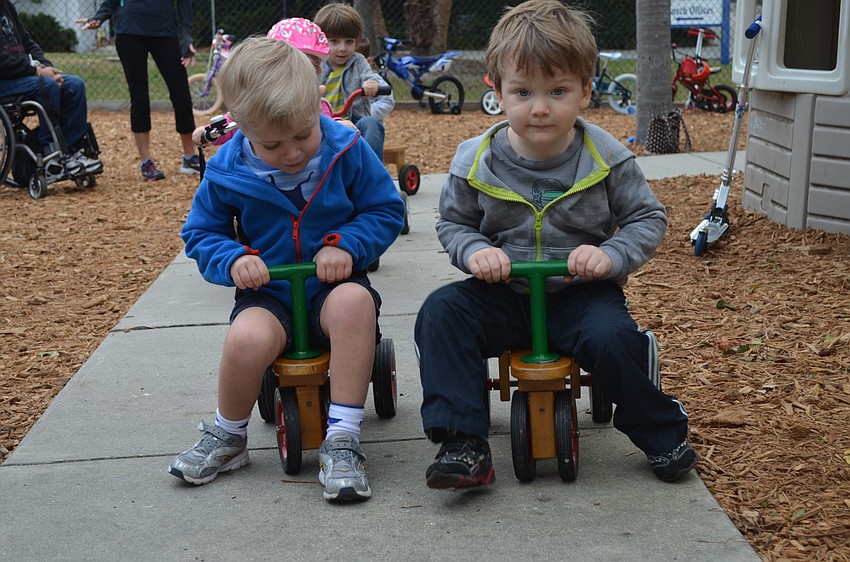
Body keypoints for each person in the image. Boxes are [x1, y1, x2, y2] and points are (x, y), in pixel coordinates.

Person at [415, 0, 697, 490]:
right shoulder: (475, 161)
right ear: (497, 92)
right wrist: (475, 251)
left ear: (585, 91)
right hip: (504, 292)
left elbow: (647, 217)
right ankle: (463, 442)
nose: (540, 107)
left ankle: (660, 431)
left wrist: (610, 255)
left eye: (558, 91)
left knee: (613, 338)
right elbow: (454, 223)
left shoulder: (606, 158)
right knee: (442, 312)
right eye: (523, 92)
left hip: (579, 294)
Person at [169, 37, 405, 502]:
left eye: (303, 134)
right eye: (273, 144)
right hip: (269, 292)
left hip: (332, 284)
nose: (293, 153)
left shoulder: (346, 148)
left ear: (317, 106)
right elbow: (200, 233)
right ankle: (228, 433)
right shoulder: (227, 171)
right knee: (246, 338)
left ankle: (344, 436)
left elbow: (385, 209)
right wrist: (235, 258)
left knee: (354, 304)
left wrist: (347, 245)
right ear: (240, 128)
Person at [77, 0, 198, 181]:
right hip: (130, 33)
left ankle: (190, 158)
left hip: (164, 32)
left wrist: (187, 37)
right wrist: (99, 17)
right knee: (139, 97)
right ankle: (146, 161)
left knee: (182, 96)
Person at [190, 17, 355, 149]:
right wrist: (211, 133)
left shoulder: (317, 105)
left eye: (311, 64)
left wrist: (340, 126)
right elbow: (236, 123)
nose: (299, 73)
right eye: (292, 65)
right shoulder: (260, 101)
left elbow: (328, 128)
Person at [0, 0, 103, 182]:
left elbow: (27, 42)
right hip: (5, 81)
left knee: (75, 85)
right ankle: (52, 158)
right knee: (47, 86)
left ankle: (71, 152)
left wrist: (47, 67)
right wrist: (37, 71)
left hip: (25, 75)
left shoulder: (6, 5)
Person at [314, 2, 393, 161]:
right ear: (322, 40)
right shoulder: (317, 63)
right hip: (323, 122)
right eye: (334, 41)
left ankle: (372, 169)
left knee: (371, 123)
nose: (342, 48)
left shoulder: (358, 61)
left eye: (349, 41)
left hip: (354, 121)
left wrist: (371, 84)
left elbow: (368, 76)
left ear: (357, 41)